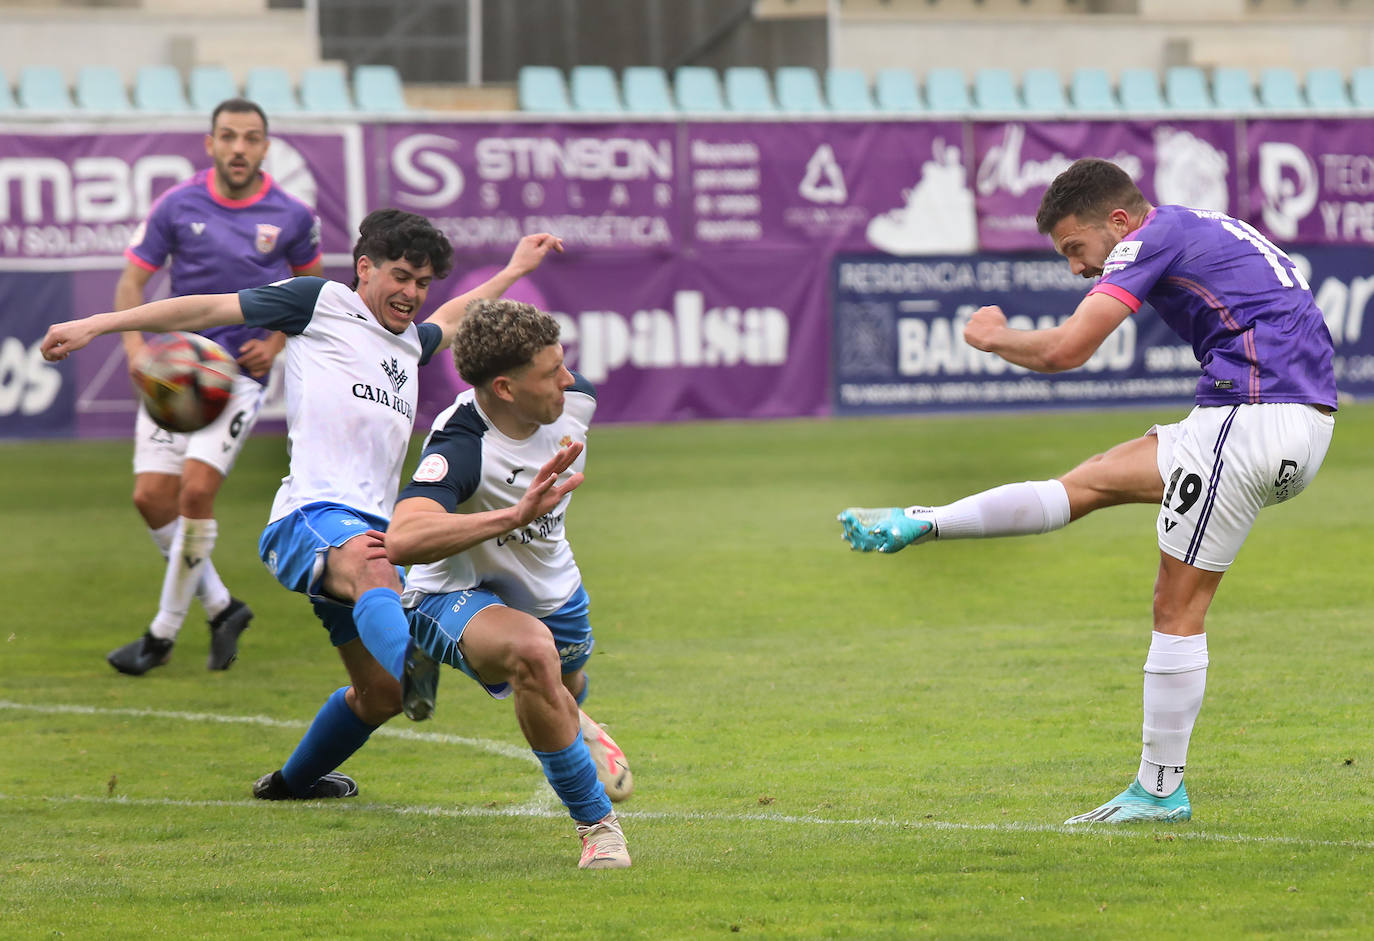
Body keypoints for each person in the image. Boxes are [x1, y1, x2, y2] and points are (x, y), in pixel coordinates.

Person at [837, 158, 1337, 825]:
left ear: (1120, 221)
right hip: (1277, 416)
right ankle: (920, 521)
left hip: (1251, 414)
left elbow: (1065, 351)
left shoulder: (1147, 239)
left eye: (1076, 247)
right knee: (1090, 481)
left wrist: (992, 337)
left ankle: (1160, 790)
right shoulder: (1200, 226)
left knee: (1177, 603)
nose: (1076, 266)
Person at [43, 209, 564, 802]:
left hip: (369, 537)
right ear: (364, 268)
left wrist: (515, 268)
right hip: (309, 519)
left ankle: (292, 784)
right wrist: (97, 324)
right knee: (375, 573)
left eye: (422, 283)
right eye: (400, 276)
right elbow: (208, 308)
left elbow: (454, 314)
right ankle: (413, 663)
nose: (412, 294)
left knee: (378, 697)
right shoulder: (319, 303)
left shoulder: (409, 343)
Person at [376, 299, 631, 869]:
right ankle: (599, 830)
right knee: (531, 657)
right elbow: (403, 539)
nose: (568, 380)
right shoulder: (462, 443)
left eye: (565, 365)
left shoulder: (575, 400)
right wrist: (513, 516)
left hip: (551, 585)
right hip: (451, 589)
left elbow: (568, 385)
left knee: (566, 683)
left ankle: (572, 715)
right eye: (550, 373)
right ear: (506, 389)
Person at [108, 97, 324, 676]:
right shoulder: (177, 205)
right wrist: (135, 352)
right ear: (209, 144)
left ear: (265, 146)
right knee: (150, 499)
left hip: (237, 379)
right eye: (228, 137)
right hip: (175, 370)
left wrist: (276, 343)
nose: (238, 148)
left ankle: (160, 636)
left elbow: (316, 294)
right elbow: (132, 281)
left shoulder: (293, 215)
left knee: (195, 495)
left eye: (251, 138)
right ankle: (223, 606)